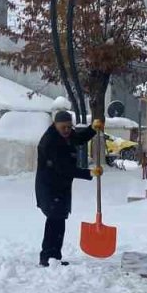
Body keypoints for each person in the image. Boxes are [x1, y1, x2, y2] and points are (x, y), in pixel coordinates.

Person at [36, 110, 101, 267]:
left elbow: (78, 138)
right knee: (54, 220)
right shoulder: (50, 141)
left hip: (61, 187)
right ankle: (47, 257)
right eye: (64, 127)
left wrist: (92, 128)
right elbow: (62, 168)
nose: (67, 130)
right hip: (49, 187)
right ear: (55, 124)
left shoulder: (66, 134)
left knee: (59, 220)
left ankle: (54, 257)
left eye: (69, 127)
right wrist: (89, 173)